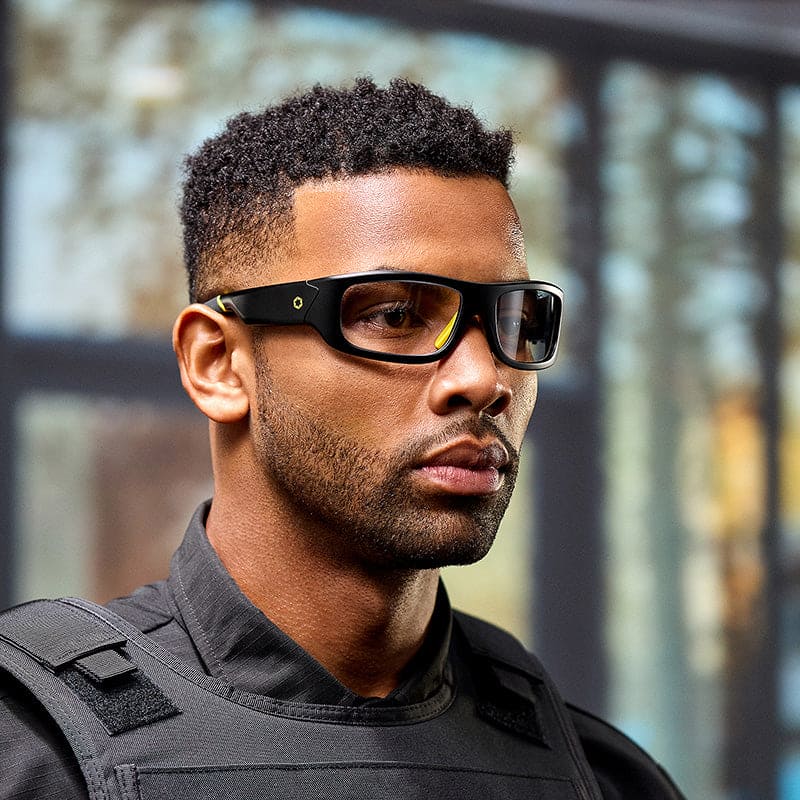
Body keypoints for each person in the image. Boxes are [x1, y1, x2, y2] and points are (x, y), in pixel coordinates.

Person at [0, 78, 684, 799]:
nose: (485, 379)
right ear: (219, 365)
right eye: (394, 316)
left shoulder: (599, 775)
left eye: (514, 322)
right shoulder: (30, 754)